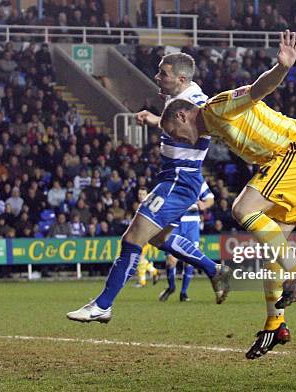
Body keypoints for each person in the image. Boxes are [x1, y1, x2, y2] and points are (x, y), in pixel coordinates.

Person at [159, 30, 296, 359]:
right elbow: (175, 119)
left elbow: (255, 91)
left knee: (242, 208)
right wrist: (153, 119)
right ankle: (274, 324)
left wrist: (282, 68)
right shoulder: (214, 124)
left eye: (175, 132)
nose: (179, 139)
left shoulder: (217, 107)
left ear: (182, 116)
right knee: (271, 252)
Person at [67, 53, 231, 324]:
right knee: (157, 238)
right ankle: (213, 269)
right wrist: (156, 120)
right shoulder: (178, 99)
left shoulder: (198, 103)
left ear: (180, 79)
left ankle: (103, 305)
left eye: (162, 73)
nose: (157, 77)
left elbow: (208, 125)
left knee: (132, 239)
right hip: (172, 178)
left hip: (179, 180)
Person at [159, 180, 214, 302]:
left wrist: (204, 205)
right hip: (174, 221)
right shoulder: (171, 178)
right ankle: (171, 286)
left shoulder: (197, 180)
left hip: (192, 224)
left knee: (189, 260)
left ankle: (183, 293)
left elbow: (210, 198)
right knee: (171, 260)